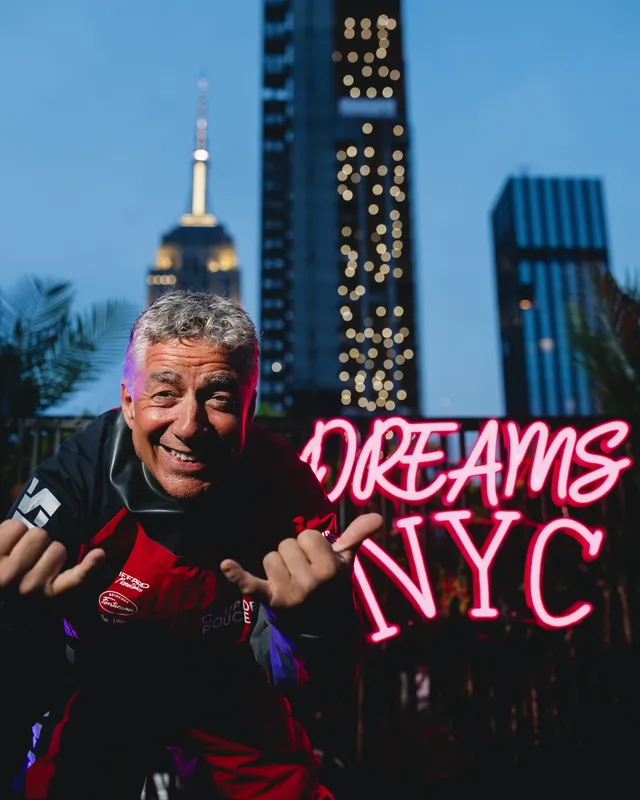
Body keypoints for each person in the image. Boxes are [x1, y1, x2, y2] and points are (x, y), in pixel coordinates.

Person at [0, 291, 382, 799]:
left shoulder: (286, 491)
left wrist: (316, 622)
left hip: (224, 679)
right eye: (164, 394)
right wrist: (14, 624)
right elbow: (18, 686)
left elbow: (324, 686)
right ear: (129, 405)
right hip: (101, 677)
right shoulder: (73, 484)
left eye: (218, 398)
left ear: (249, 409)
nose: (189, 426)